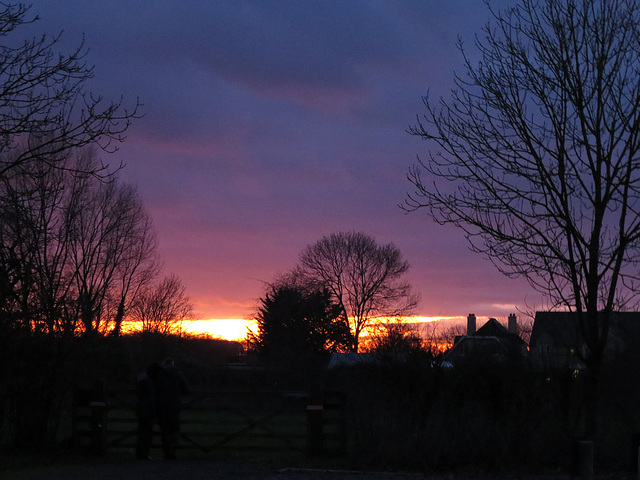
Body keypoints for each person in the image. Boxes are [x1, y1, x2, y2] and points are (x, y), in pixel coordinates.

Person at [155, 357, 188, 459]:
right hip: (175, 406)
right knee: (174, 429)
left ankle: (166, 451)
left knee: (164, 430)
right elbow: (185, 389)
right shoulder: (178, 374)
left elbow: (154, 388)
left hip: (161, 406)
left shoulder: (159, 375)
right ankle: (172, 451)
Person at [135, 362, 160, 460]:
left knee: (142, 431)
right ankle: (144, 454)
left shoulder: (141, 379)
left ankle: (140, 453)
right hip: (147, 410)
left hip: (141, 409)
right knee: (147, 432)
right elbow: (151, 397)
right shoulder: (148, 382)